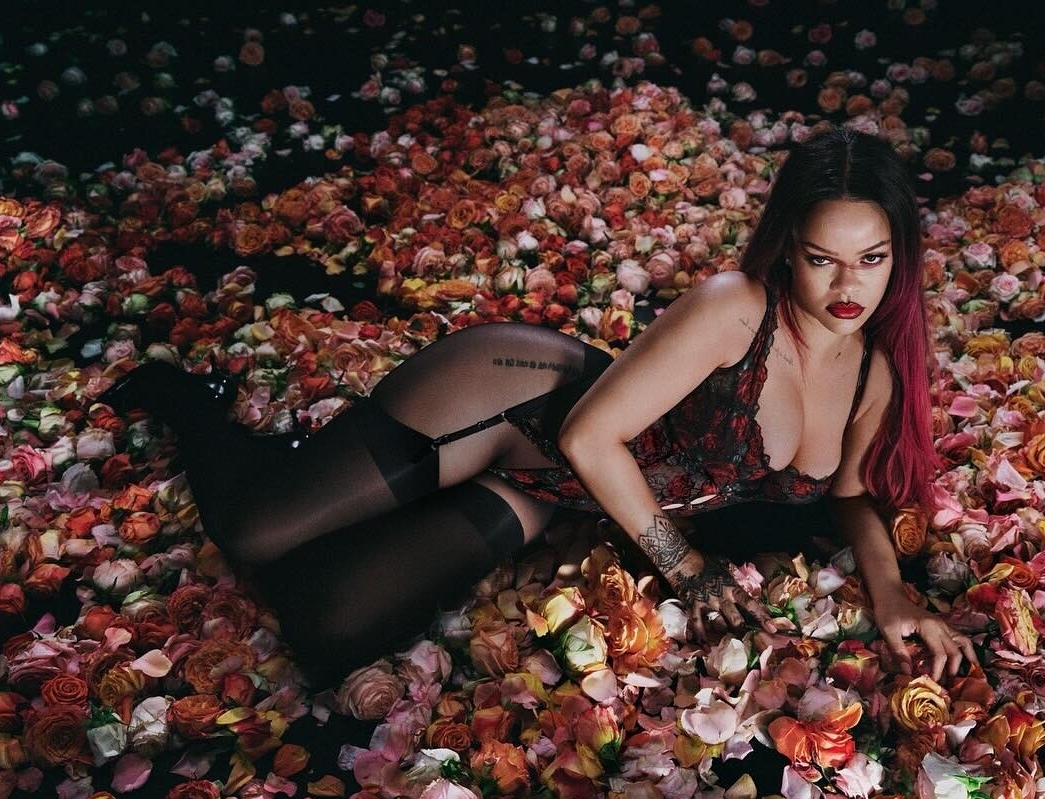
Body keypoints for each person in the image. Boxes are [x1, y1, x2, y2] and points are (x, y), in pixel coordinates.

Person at [92, 127, 974, 690]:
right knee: (255, 532)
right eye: (822, 258)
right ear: (787, 248)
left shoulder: (872, 373)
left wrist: (893, 596)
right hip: (514, 404)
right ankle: (192, 402)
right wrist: (690, 571)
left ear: (899, 256)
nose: (849, 284)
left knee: (328, 629)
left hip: (554, 489)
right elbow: (588, 433)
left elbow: (851, 497)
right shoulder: (735, 308)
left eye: (872, 258)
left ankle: (345, 475)